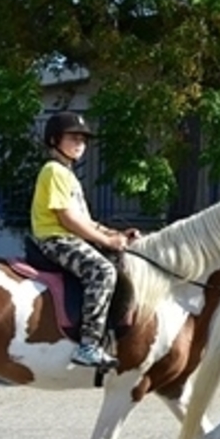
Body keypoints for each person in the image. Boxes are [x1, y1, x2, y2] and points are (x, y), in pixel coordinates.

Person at [30, 111, 139, 369]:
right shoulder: (54, 170)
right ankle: (88, 345)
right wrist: (107, 241)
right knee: (102, 271)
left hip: (69, 236)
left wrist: (115, 234)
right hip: (55, 238)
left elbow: (86, 221)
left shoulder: (68, 175)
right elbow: (67, 218)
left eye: (83, 139)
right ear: (55, 140)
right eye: (73, 137)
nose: (80, 143)